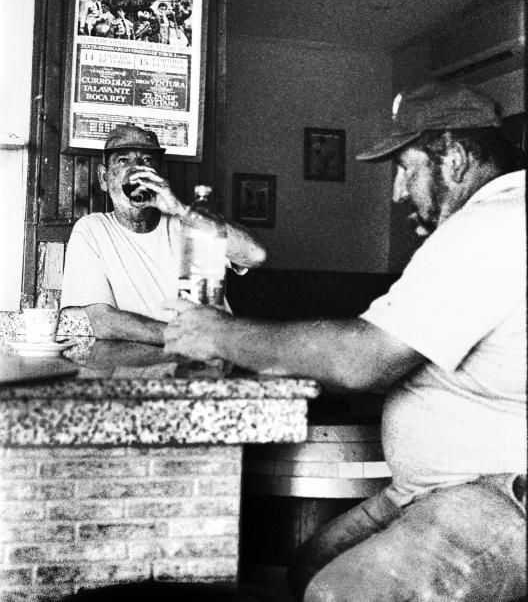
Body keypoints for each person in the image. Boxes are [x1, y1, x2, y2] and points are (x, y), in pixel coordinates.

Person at [164, 82, 526, 602]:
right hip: (435, 489)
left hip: (501, 492)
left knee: (336, 593)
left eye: (407, 168)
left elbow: (364, 360)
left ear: (456, 159)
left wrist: (218, 333)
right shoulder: (485, 221)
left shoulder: (493, 225)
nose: (399, 191)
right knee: (308, 564)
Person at [60, 125, 266, 368]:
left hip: (218, 361)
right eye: (123, 161)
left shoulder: (190, 221)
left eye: (146, 160)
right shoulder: (93, 229)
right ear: (104, 178)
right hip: (156, 363)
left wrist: (179, 208)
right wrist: (190, 338)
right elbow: (103, 321)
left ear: (159, 174)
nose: (136, 170)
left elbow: (255, 256)